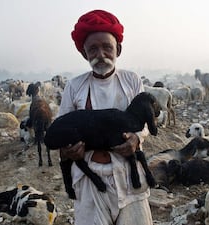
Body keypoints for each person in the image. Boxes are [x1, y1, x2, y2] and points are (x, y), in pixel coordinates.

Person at [57, 9, 153, 225]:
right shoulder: (75, 86)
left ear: (118, 49)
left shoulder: (131, 81)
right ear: (84, 54)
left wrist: (136, 139)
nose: (100, 54)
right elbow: (61, 129)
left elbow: (143, 123)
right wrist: (69, 149)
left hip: (130, 176)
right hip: (91, 179)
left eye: (107, 47)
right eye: (93, 49)